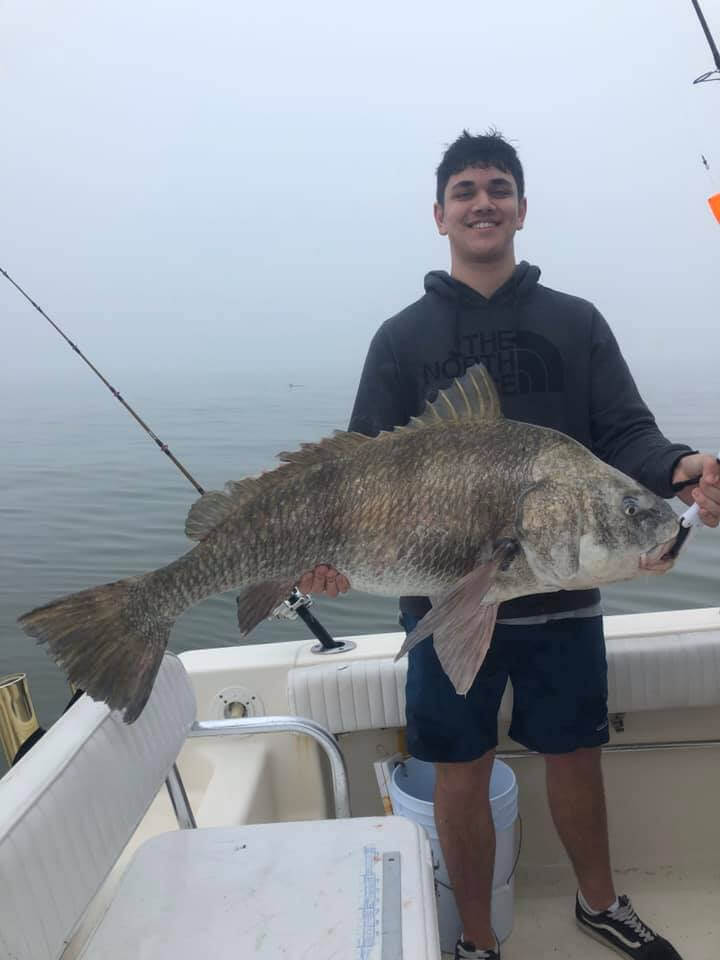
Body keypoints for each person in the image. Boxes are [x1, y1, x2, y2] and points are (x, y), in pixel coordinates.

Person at [299, 130, 720, 960]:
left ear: (522, 208)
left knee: (575, 754)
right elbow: (358, 462)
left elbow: (626, 431)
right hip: (442, 596)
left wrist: (681, 466)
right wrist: (326, 547)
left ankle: (600, 903)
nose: (482, 202)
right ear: (439, 215)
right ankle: (481, 942)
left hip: (563, 590)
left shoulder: (575, 321)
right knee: (457, 763)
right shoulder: (401, 338)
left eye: (498, 187)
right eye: (465, 190)